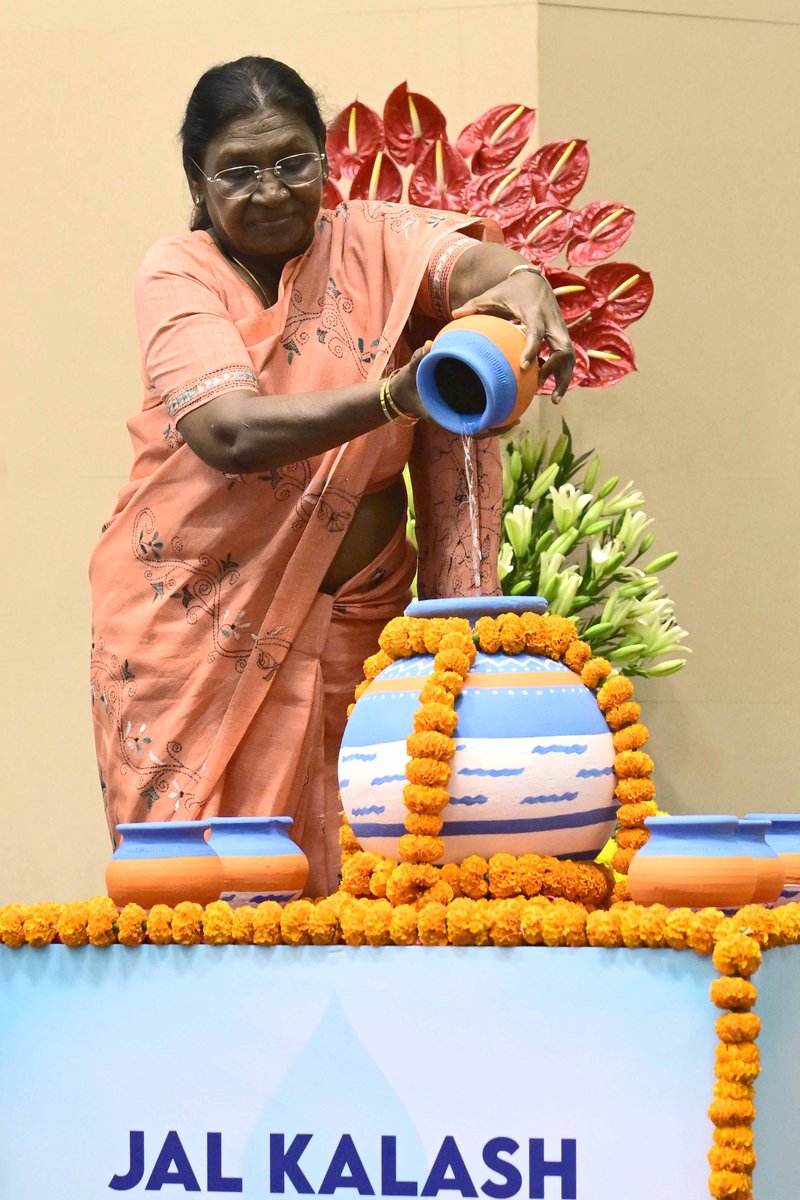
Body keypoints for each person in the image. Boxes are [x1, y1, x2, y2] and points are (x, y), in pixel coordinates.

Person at [89, 56, 575, 896]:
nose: (271, 189)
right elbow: (228, 431)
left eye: (293, 163)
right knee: (198, 896)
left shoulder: (376, 243)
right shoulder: (178, 273)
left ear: (326, 163)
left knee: (372, 868)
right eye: (239, 171)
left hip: (361, 626)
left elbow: (468, 269)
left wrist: (525, 282)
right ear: (198, 184)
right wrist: (394, 395)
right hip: (194, 626)